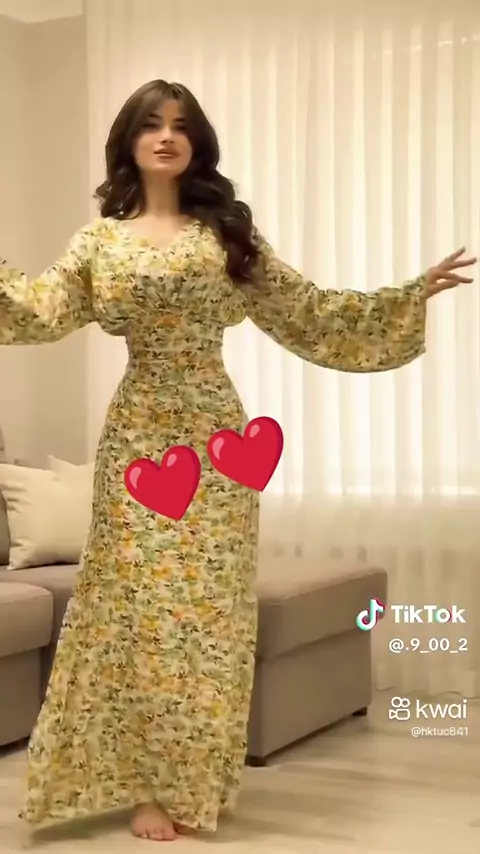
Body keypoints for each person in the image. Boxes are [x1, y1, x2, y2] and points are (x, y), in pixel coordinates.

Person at [0, 79, 476, 843]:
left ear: (197, 143)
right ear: (128, 141)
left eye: (180, 125)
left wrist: (408, 295)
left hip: (217, 442)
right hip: (136, 439)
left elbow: (309, 310)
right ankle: (140, 784)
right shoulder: (99, 243)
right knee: (135, 615)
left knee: (206, 617)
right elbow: (37, 309)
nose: (166, 136)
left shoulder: (224, 234)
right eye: (151, 124)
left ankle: (187, 783)